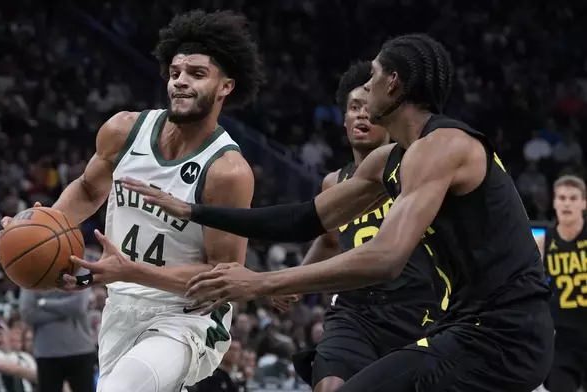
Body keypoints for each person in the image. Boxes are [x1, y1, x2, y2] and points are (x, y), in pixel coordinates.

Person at [134, 34, 554, 391]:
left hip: (506, 333)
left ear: (394, 82)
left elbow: (385, 258)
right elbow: (304, 219)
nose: (365, 89)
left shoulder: (444, 146)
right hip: (464, 326)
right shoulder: (389, 160)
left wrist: (261, 282)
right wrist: (193, 209)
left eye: (372, 76)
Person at [0, 10, 267, 392]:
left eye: (197, 74)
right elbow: (89, 190)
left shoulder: (227, 172)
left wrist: (131, 271)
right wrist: (34, 229)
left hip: (188, 317)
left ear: (225, 86)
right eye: (175, 73)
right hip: (121, 307)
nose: (181, 83)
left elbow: (220, 277)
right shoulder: (124, 130)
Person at [292, 61, 445, 392]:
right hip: (355, 312)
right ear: (344, 120)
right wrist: (297, 282)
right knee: (330, 385)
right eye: (352, 108)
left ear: (385, 116)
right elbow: (330, 241)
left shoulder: (417, 169)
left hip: (418, 311)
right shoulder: (333, 183)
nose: (360, 115)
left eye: (367, 107)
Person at [535, 175, 587, 392]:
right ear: (554, 202)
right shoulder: (543, 242)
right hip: (563, 337)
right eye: (562, 197)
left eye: (573, 198)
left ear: (583, 203)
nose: (567, 203)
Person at [19, 288, 96, 392]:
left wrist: (44, 303)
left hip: (81, 349)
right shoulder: (29, 274)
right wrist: (66, 311)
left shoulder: (81, 272)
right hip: (46, 353)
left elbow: (79, 306)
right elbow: (27, 313)